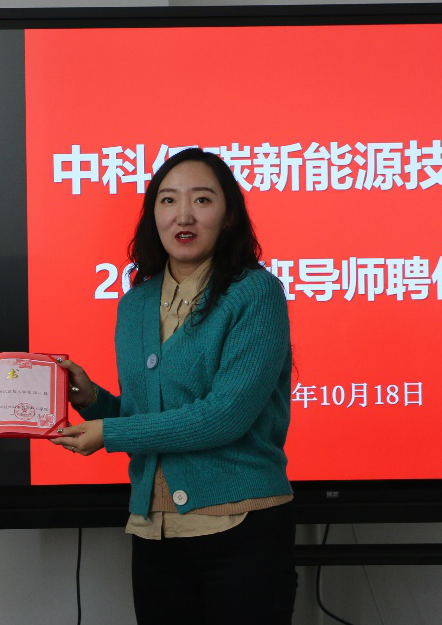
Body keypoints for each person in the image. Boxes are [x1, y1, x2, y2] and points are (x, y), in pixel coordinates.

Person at [53, 147, 297, 624]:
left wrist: (110, 433)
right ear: (153, 215)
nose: (183, 215)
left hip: (242, 527)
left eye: (202, 200)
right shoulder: (135, 304)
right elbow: (147, 419)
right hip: (155, 533)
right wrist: (93, 402)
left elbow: (223, 417)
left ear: (228, 216)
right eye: (168, 200)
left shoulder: (255, 292)